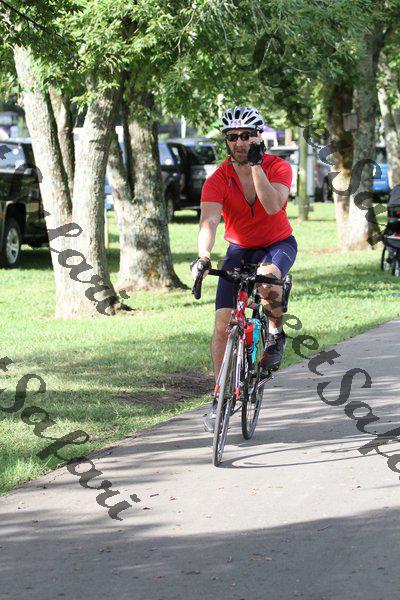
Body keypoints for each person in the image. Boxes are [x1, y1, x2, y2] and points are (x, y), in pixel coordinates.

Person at [191, 105, 297, 432]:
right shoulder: (218, 178)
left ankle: (275, 333)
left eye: (246, 135)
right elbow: (209, 220)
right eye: (233, 137)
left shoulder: (278, 167)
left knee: (268, 280)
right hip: (238, 249)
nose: (239, 142)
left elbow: (273, 205)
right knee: (223, 323)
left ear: (258, 137)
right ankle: (220, 399)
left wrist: (256, 167)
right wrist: (204, 256)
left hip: (277, 243)